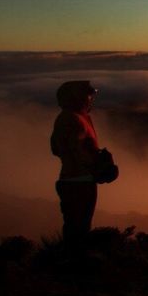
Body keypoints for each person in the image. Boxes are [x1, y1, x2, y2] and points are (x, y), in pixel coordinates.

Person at [49, 80, 102, 250]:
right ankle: (74, 266)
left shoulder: (74, 117)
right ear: (77, 98)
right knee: (78, 229)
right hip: (77, 182)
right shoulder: (71, 119)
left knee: (78, 227)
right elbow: (71, 149)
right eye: (88, 95)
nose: (91, 99)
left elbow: (56, 149)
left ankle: (75, 264)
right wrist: (96, 165)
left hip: (77, 180)